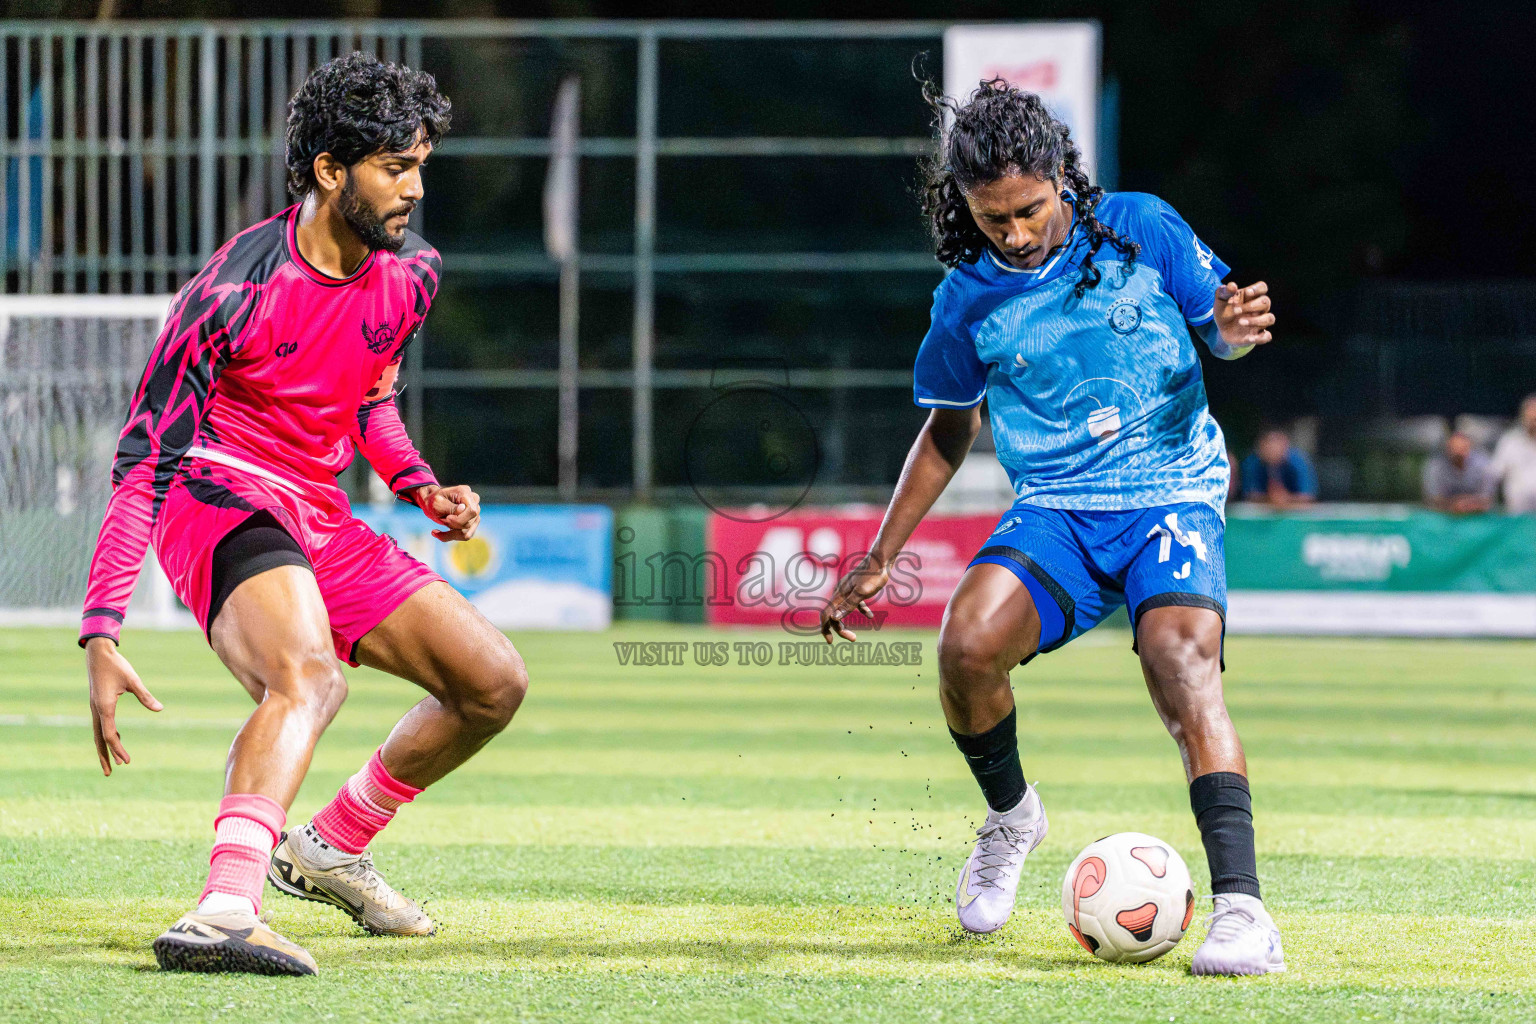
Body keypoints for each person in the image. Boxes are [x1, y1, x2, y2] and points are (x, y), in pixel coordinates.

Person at [821, 80, 1283, 976]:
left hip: (1169, 489)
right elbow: (948, 429)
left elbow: (1221, 332)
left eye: (1030, 209)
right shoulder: (967, 300)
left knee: (1179, 662)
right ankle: (1011, 819)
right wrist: (880, 556)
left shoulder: (1141, 227)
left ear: (1062, 177)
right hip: (1060, 508)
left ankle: (1243, 913)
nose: (1017, 233)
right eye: (993, 218)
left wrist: (1230, 330)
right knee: (966, 647)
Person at [81, 54, 528, 977]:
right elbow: (142, 461)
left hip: (319, 510)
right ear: (330, 170)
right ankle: (223, 909)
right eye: (394, 168)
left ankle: (329, 847)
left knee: (492, 683)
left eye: (421, 166)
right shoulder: (231, 290)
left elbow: (368, 401)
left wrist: (419, 486)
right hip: (217, 493)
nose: (415, 188)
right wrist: (102, 629)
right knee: (309, 678)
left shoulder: (413, 274)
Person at [1239, 427, 1317, 506]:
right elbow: (1250, 495)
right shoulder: (1252, 463)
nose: (1271, 450)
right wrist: (1271, 498)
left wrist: (1285, 499)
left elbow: (1308, 496)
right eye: (1268, 446)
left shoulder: (1299, 462)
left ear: (1285, 446)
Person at [1422, 431, 1496, 514]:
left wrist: (1468, 504)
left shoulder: (1483, 464)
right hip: (1444, 514)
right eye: (1455, 449)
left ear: (1469, 448)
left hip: (1478, 514)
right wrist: (1454, 505)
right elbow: (1432, 497)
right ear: (1447, 449)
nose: (1459, 453)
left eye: (1463, 449)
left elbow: (1487, 497)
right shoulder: (1435, 465)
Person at [1491, 393, 1536, 513]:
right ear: (1523, 417)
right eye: (1531, 418)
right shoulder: (1509, 441)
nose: (1533, 422)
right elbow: (1495, 474)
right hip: (1516, 513)